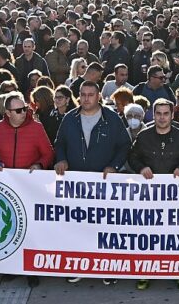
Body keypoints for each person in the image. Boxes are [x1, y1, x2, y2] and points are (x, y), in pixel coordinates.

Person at [53, 81, 130, 285]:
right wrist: (61, 159)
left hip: (104, 185)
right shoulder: (70, 118)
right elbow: (59, 143)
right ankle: (78, 265)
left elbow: (124, 145)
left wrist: (114, 166)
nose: (86, 98)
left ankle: (107, 267)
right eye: (83, 94)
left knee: (105, 227)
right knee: (77, 226)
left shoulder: (111, 118)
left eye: (91, 94)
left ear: (99, 96)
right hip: (76, 185)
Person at [128, 98, 179, 291]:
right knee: (149, 236)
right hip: (149, 196)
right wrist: (141, 168)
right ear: (153, 115)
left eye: (166, 113)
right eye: (158, 113)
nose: (162, 117)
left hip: (175, 196)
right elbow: (132, 157)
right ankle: (146, 272)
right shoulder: (143, 136)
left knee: (175, 236)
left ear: (172, 115)